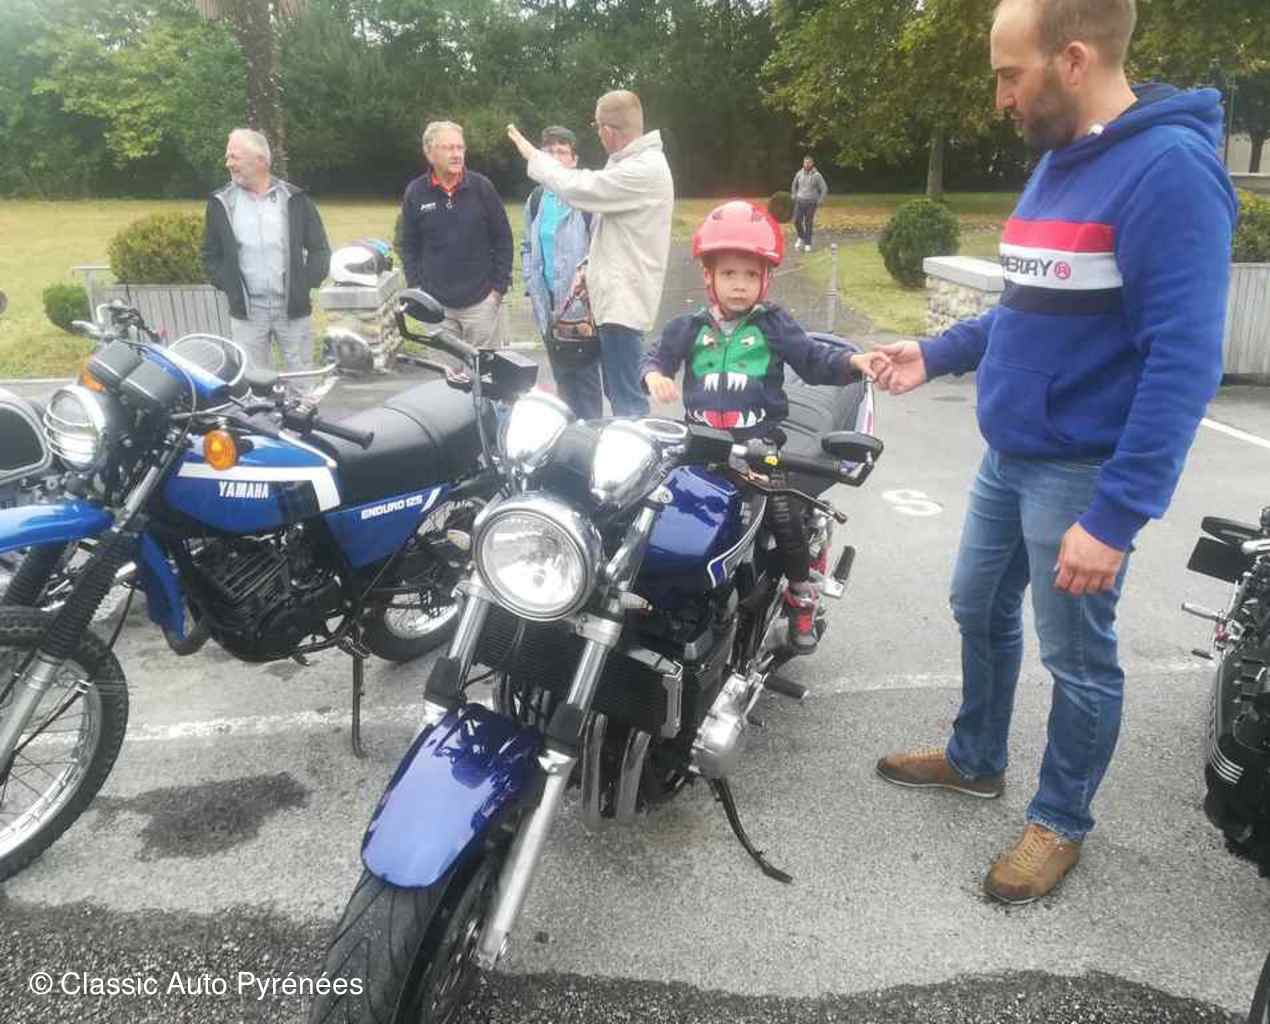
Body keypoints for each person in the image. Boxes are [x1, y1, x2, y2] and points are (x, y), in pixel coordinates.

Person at [873, 0, 1236, 905]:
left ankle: (1061, 820)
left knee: (1078, 657)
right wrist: (938, 352)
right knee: (976, 605)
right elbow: (1028, 302)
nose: (1000, 96)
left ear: (1072, 60)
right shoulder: (1060, 159)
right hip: (1011, 454)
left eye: (1010, 74)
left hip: (1081, 473)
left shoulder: (1170, 172)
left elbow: (1184, 362)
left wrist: (1114, 517)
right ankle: (976, 758)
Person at [642, 201, 887, 652]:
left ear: (765, 279)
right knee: (653, 505)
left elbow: (813, 360)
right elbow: (656, 355)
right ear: (709, 276)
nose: (739, 284)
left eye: (750, 275)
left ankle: (801, 596)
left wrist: (854, 362)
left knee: (783, 513)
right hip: (701, 446)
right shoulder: (688, 327)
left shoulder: (773, 325)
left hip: (759, 449)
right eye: (729, 273)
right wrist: (654, 375)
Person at [506, 90, 674, 417]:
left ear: (607, 130)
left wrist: (533, 156)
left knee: (626, 400)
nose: (597, 134)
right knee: (618, 392)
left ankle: (633, 448)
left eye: (597, 127)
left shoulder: (643, 169)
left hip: (622, 305)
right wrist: (588, 267)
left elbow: (578, 188)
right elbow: (614, 233)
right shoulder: (633, 164)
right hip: (613, 298)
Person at [202, 128, 331, 373]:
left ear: (260, 160)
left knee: (302, 379)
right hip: (248, 314)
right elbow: (209, 254)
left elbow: (319, 249)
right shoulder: (220, 202)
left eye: (234, 157)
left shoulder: (294, 198)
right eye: (228, 157)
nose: (228, 163)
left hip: (292, 310)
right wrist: (230, 286)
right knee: (255, 383)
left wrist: (304, 285)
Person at [400, 121, 513, 349]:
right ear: (429, 153)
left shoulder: (482, 188)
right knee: (446, 371)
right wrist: (416, 286)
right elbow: (408, 245)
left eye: (460, 148)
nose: (456, 154)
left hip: (482, 304)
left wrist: (497, 290)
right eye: (448, 148)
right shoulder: (416, 192)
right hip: (436, 307)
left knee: (485, 370)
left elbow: (503, 239)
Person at [521, 126, 602, 420]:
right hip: (548, 307)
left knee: (586, 383)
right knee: (563, 382)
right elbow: (527, 245)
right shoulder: (535, 200)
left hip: (581, 310)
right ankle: (569, 435)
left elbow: (601, 249)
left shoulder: (586, 200)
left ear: (574, 159)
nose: (555, 156)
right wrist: (530, 281)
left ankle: (592, 433)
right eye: (549, 151)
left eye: (562, 151)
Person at [790, 155, 828, 252]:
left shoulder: (817, 175)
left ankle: (808, 243)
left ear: (812, 163)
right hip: (800, 201)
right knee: (796, 220)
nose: (806, 164)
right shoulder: (799, 173)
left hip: (811, 202)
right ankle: (801, 236)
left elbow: (824, 188)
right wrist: (794, 194)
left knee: (808, 222)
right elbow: (794, 184)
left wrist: (820, 200)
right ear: (803, 163)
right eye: (805, 162)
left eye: (808, 163)